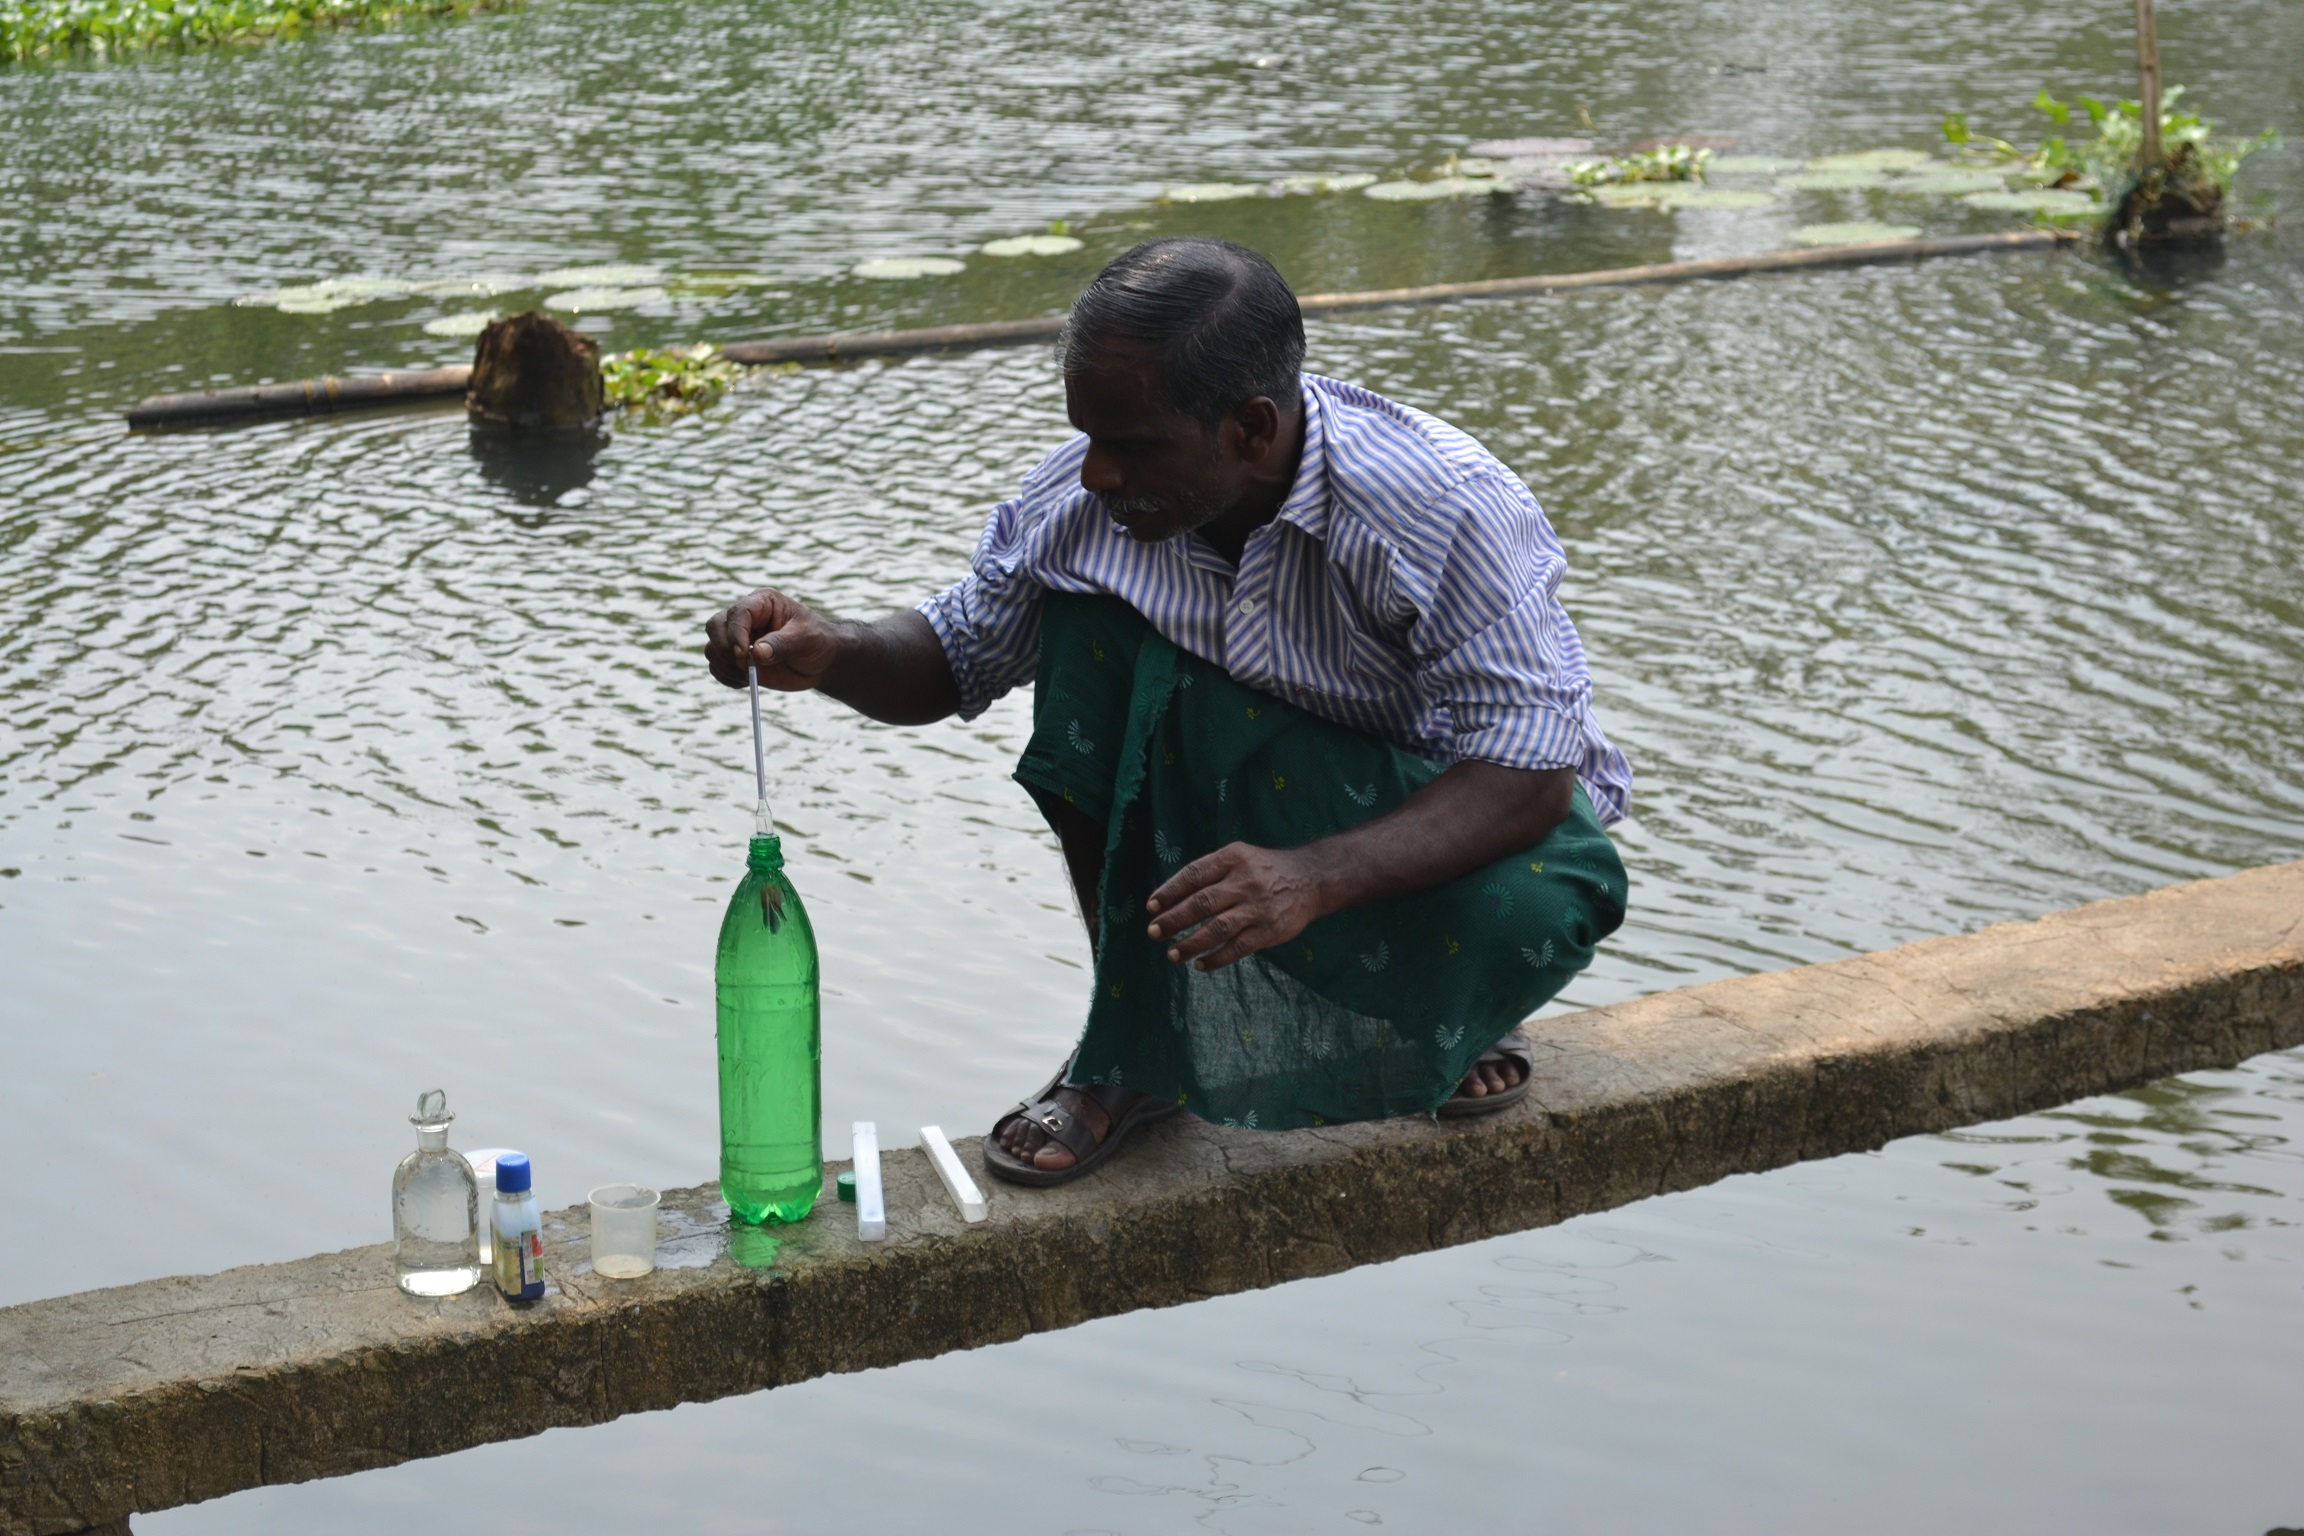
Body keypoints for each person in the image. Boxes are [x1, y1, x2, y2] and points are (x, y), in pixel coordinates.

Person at [704, 237, 1630, 1187]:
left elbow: (1530, 778)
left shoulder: (1444, 506)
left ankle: (1457, 1007)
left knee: (1522, 915)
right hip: (1274, 796)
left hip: (1470, 826)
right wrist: (833, 651)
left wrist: (1310, 876)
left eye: (1134, 446)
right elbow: (957, 655)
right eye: (1091, 437)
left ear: (1251, 430)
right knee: (1088, 631)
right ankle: (1135, 1052)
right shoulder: (1085, 498)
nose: (1099, 474)